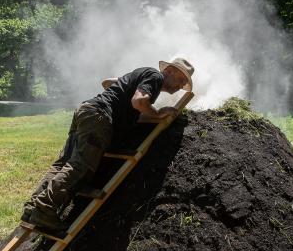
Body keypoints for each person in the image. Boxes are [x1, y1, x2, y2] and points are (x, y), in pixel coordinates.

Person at [21, 57, 195, 232]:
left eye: (183, 84)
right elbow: (139, 102)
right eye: (181, 80)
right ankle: (45, 209)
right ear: (169, 70)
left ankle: (33, 207)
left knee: (63, 163)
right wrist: (157, 113)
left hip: (88, 110)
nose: (180, 86)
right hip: (99, 118)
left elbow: (107, 83)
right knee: (80, 166)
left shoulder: (141, 74)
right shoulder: (155, 77)